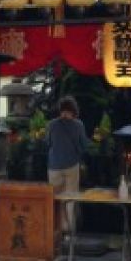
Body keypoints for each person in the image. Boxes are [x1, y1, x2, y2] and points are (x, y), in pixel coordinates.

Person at [46, 95, 88, 233]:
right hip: (72, 165)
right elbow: (84, 145)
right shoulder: (78, 125)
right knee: (70, 198)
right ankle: (69, 230)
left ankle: (56, 230)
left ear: (61, 109)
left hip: (54, 166)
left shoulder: (52, 124)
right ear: (73, 110)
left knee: (55, 199)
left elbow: (47, 142)